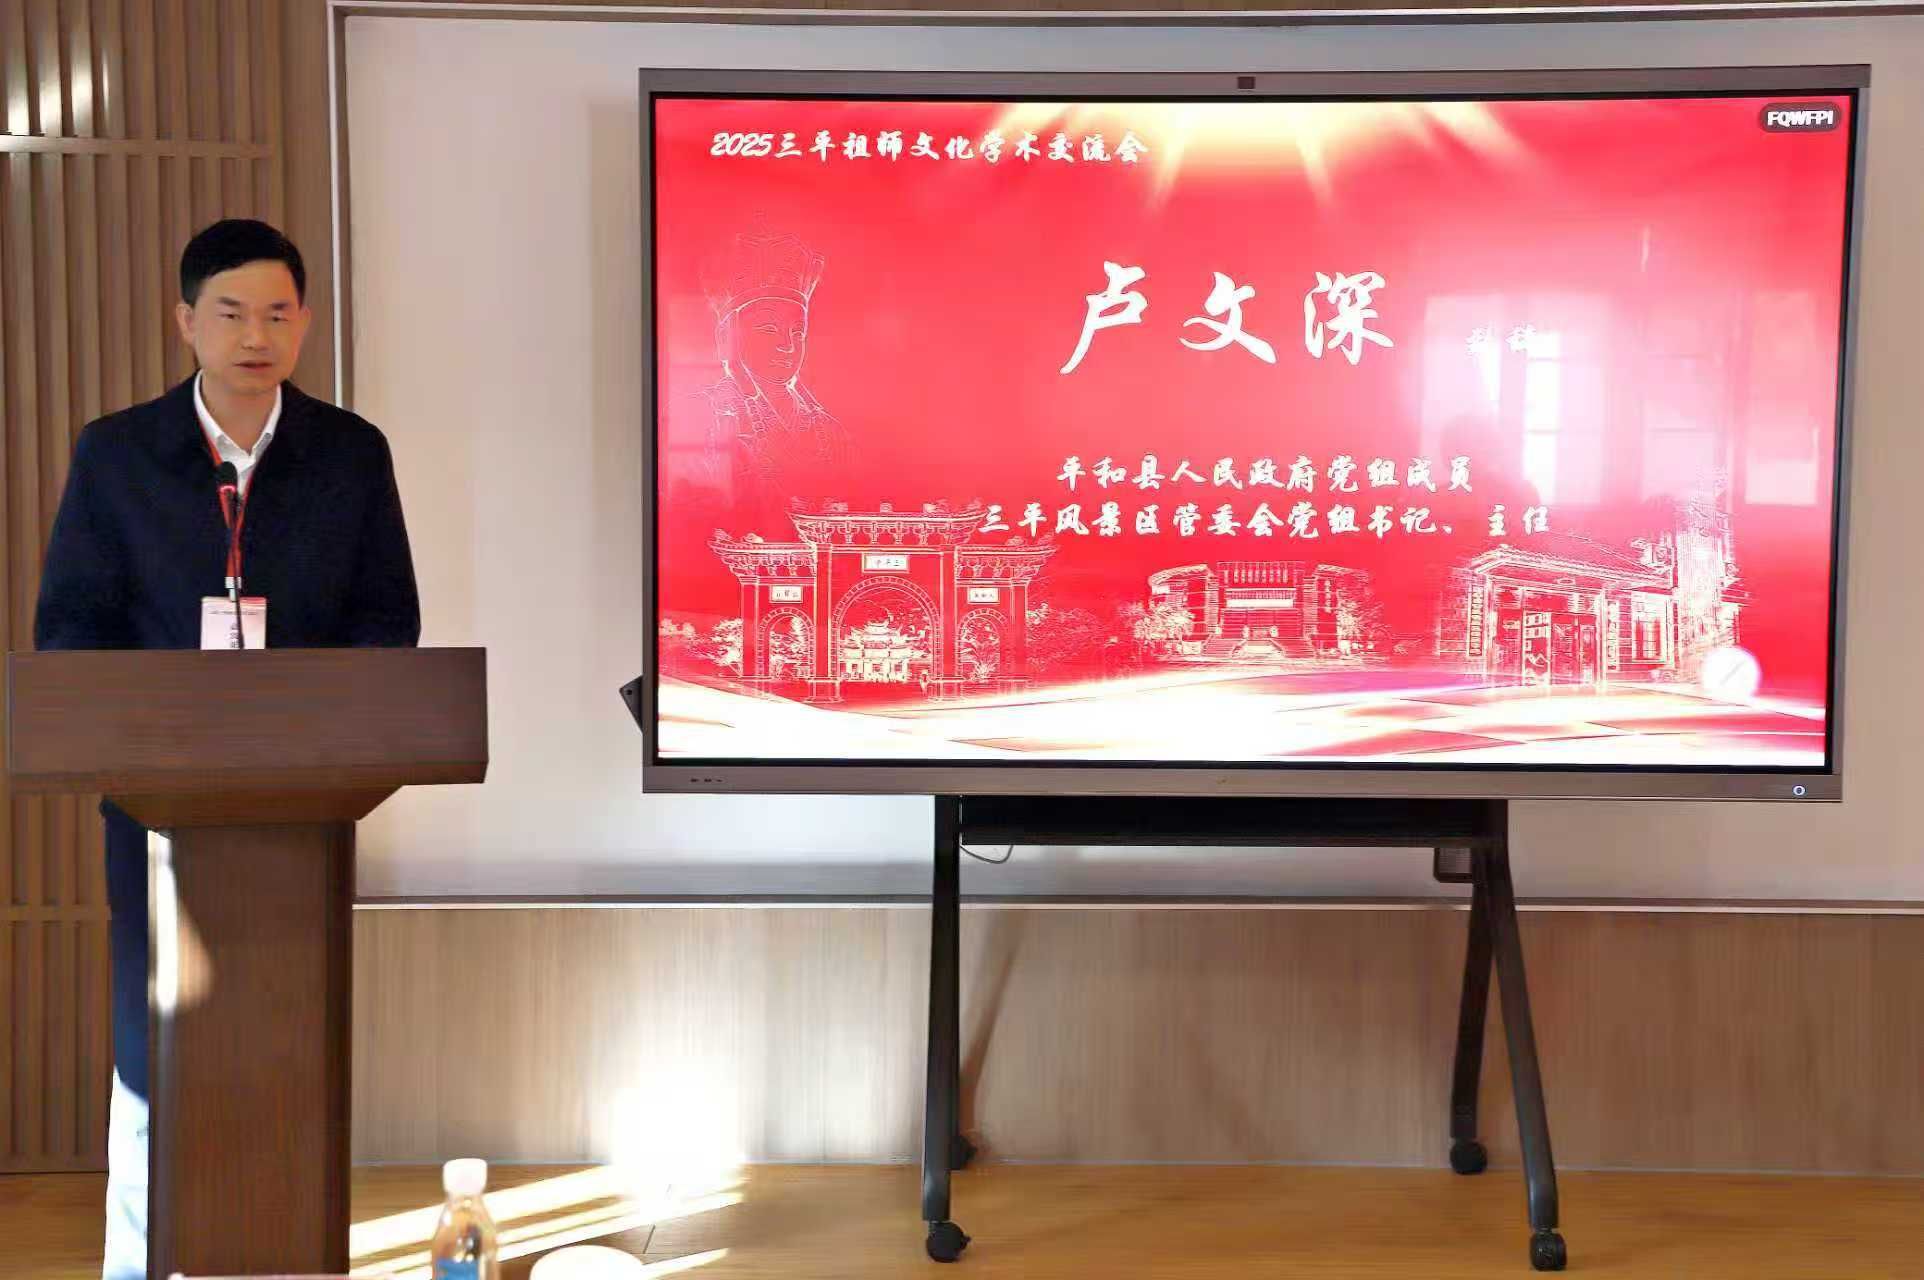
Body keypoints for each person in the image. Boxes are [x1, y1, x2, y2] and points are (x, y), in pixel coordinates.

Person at [32, 219, 420, 1280]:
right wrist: (148, 724)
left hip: (305, 805)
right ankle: (141, 1264)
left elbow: (389, 621)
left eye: (278, 314)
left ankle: (291, 1256)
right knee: (152, 1049)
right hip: (157, 805)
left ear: (305, 323)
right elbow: (70, 626)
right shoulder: (118, 454)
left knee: (289, 1044)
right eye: (232, 312)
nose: (257, 335)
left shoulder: (352, 453)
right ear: (186, 322)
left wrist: (315, 721)